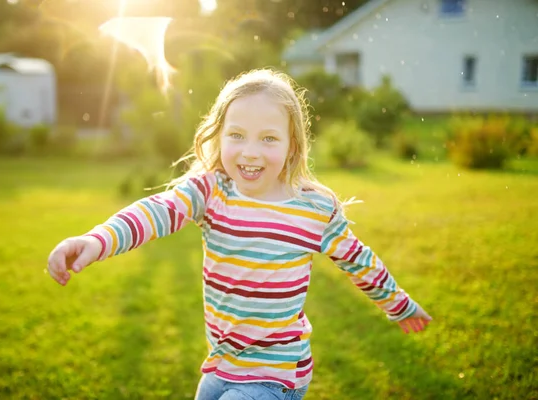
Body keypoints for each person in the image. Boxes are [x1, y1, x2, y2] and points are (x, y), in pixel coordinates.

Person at [47, 69, 432, 400]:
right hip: (220, 365)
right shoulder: (211, 192)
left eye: (268, 138)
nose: (250, 152)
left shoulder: (313, 209)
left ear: (292, 145)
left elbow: (359, 261)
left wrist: (399, 304)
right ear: (219, 137)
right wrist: (97, 241)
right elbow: (156, 212)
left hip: (277, 374)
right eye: (237, 135)